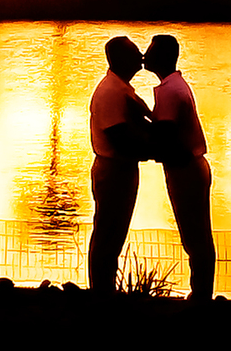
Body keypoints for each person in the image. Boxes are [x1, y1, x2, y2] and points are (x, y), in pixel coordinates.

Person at [143, 34, 216, 301]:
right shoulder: (173, 86)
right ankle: (201, 292)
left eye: (149, 51)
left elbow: (165, 133)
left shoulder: (170, 91)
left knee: (195, 236)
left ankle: (201, 296)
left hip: (186, 169)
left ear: (162, 56)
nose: (144, 55)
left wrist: (140, 127)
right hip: (188, 167)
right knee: (196, 235)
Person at [87, 35, 152, 293]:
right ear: (123, 59)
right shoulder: (112, 91)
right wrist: (154, 148)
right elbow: (119, 135)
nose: (142, 55)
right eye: (136, 51)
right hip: (114, 169)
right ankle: (102, 291)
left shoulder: (118, 88)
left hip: (118, 167)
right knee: (109, 232)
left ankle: (104, 289)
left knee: (112, 231)